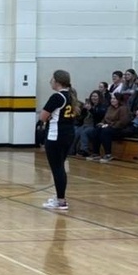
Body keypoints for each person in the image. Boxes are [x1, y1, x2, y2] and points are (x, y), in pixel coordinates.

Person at [39, 70, 78, 211]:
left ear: (57, 81)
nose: (50, 81)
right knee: (60, 167)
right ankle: (60, 198)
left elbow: (42, 117)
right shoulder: (71, 95)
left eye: (52, 79)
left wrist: (49, 118)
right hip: (69, 135)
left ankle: (61, 201)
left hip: (56, 136)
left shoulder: (57, 97)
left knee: (57, 168)